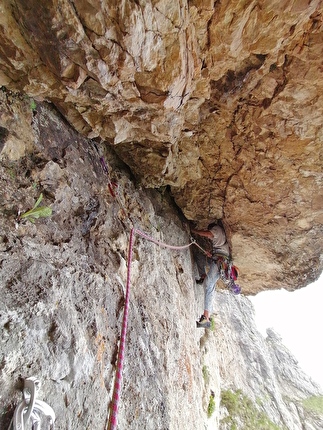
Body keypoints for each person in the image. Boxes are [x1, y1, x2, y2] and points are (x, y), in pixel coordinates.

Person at [191, 223, 231, 329]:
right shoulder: (218, 241)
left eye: (211, 234)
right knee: (199, 257)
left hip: (220, 262)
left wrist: (194, 231)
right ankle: (203, 276)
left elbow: (208, 233)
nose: (209, 237)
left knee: (209, 285)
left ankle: (206, 318)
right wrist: (211, 254)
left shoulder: (217, 230)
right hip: (216, 258)